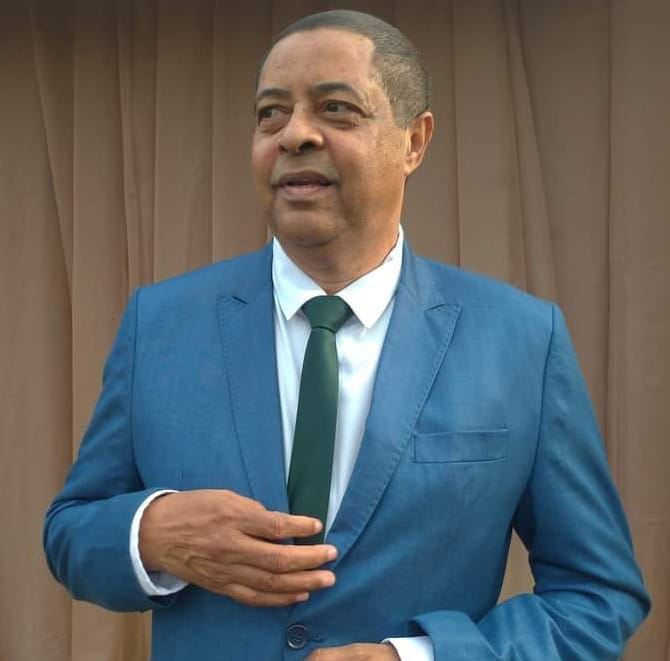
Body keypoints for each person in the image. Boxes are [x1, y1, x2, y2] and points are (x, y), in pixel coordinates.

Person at [44, 10, 650, 661]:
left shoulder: (521, 342)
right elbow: (70, 534)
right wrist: (152, 534)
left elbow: (598, 595)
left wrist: (416, 658)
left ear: (414, 141)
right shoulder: (160, 324)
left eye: (335, 108)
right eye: (271, 114)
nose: (294, 134)